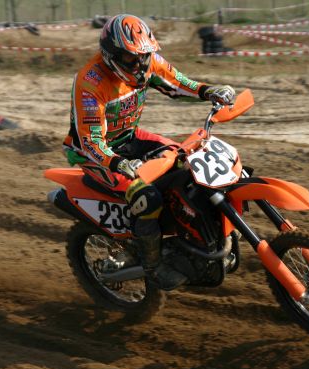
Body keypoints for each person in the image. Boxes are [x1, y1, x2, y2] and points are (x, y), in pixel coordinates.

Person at [63, 14, 235, 290]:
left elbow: (178, 83)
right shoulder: (91, 83)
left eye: (144, 56)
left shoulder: (148, 62)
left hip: (130, 137)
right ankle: (153, 266)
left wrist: (208, 91)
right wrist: (118, 163)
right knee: (147, 197)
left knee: (185, 161)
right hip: (98, 154)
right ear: (111, 55)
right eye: (131, 58)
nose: (140, 64)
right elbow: (90, 142)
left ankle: (193, 235)